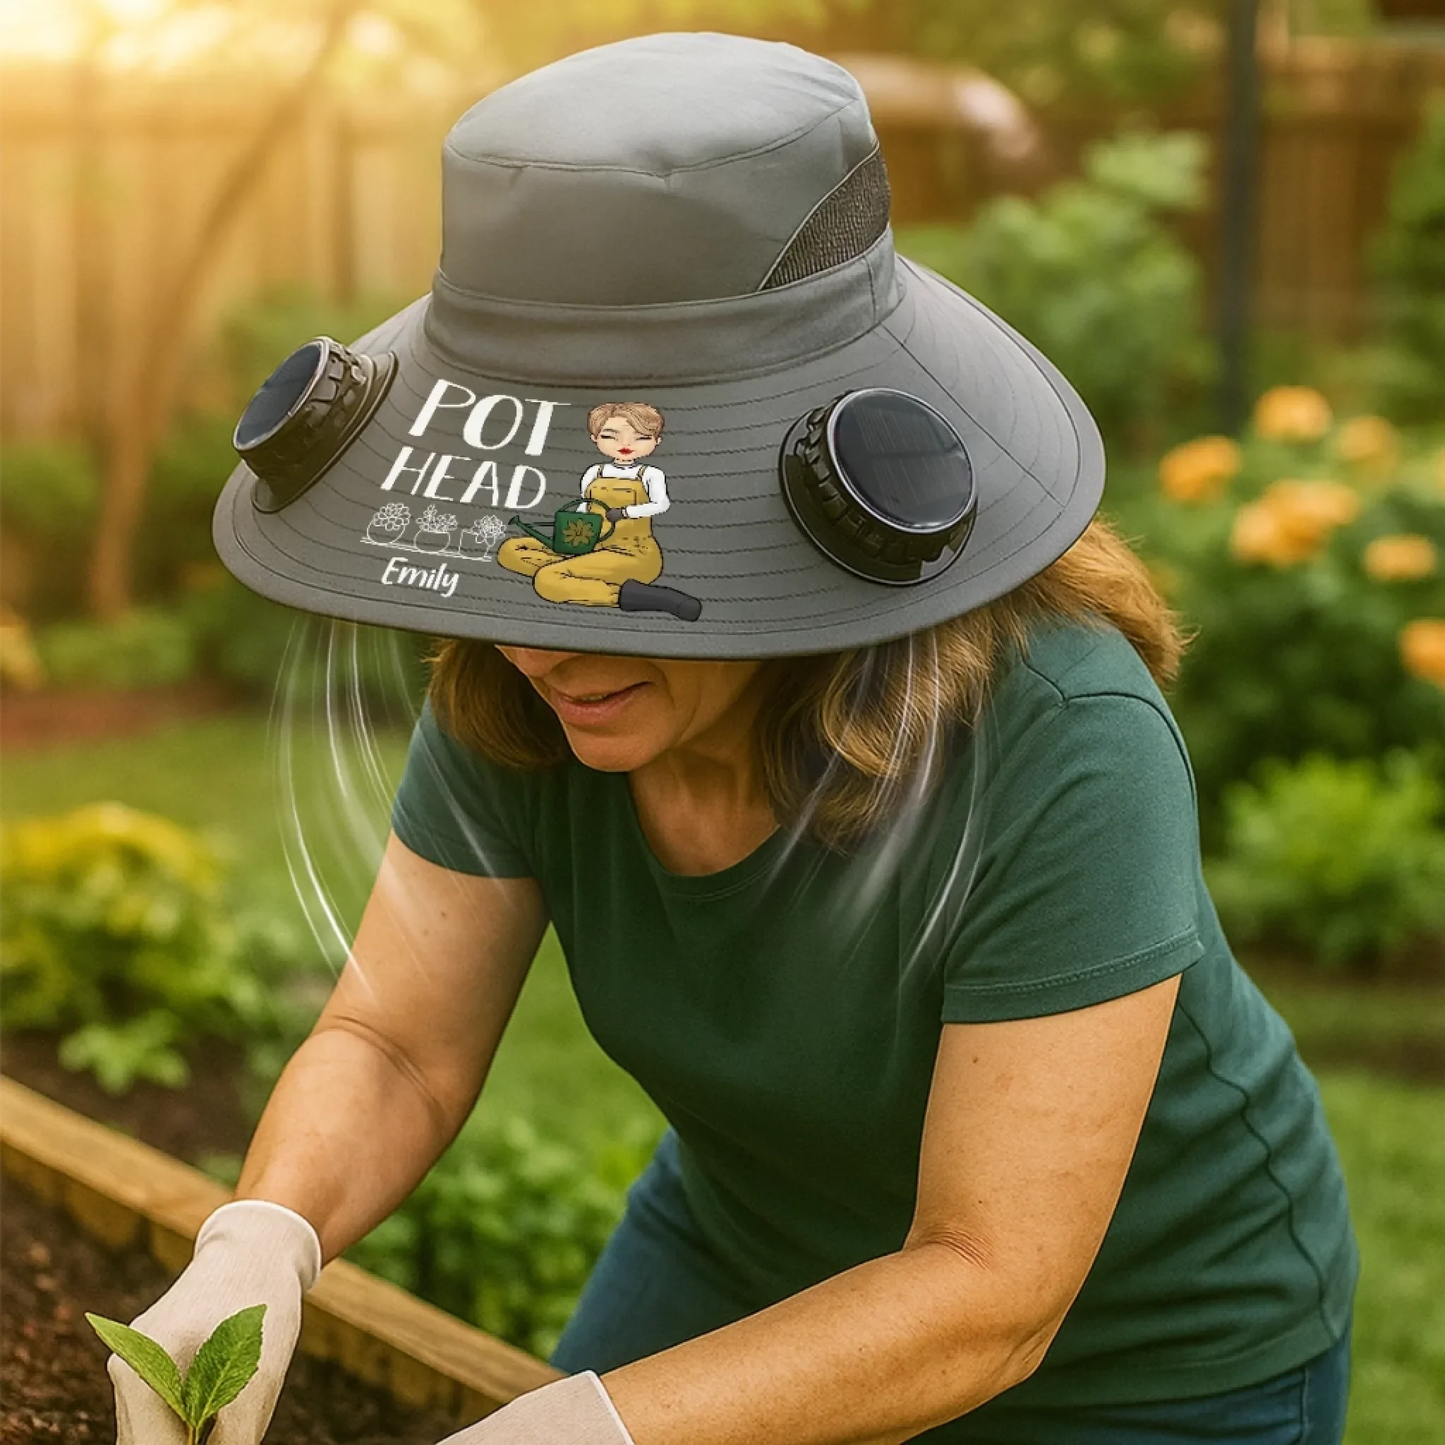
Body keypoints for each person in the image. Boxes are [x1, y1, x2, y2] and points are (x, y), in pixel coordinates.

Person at [114, 32, 1356, 1445]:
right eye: (517, 563)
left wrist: (590, 1430)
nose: (537, 642)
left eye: (613, 571)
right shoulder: (529, 668)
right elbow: (397, 1040)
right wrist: (261, 1237)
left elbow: (988, 1287)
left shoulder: (1056, 732)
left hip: (1146, 1355)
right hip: (749, 1252)